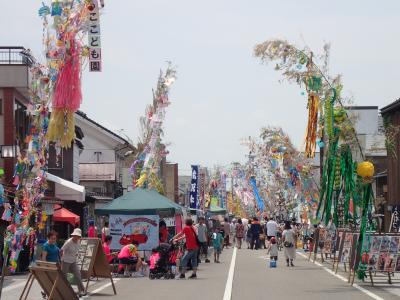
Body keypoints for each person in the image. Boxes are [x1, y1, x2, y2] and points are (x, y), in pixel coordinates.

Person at [60, 228, 86, 297]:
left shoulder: (78, 241)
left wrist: (77, 255)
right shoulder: (68, 242)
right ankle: (63, 291)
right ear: (73, 235)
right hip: (65, 261)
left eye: (78, 236)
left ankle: (81, 290)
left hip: (73, 260)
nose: (76, 237)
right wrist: (61, 259)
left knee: (78, 274)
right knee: (64, 276)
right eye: (75, 235)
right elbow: (61, 250)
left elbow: (76, 250)